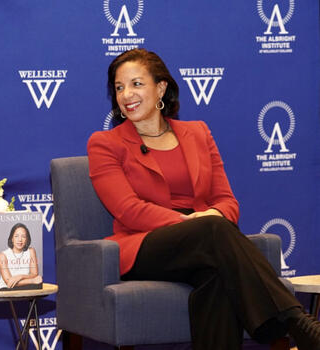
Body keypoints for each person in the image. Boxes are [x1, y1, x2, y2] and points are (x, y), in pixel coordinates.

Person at [86, 48, 320, 349]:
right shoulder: (105, 143)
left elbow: (227, 202)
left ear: (161, 87)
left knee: (219, 278)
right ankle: (297, 323)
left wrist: (207, 220)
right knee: (213, 229)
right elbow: (128, 210)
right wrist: (192, 222)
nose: (126, 94)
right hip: (144, 243)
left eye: (136, 84)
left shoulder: (198, 133)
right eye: (119, 87)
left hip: (207, 238)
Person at [0, 223, 42, 290]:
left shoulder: (31, 251)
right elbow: (9, 283)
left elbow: (34, 274)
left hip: (24, 287)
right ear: (12, 238)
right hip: (5, 289)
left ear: (26, 239)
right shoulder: (3, 255)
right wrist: (32, 281)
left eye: (23, 236)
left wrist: (20, 276)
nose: (20, 240)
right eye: (16, 236)